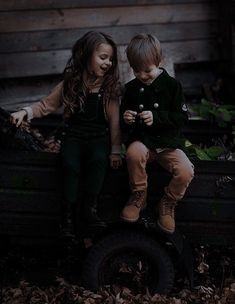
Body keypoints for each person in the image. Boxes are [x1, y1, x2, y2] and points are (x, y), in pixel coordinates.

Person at [11, 31, 122, 237]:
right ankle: (67, 215)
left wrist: (115, 150)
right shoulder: (71, 83)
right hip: (74, 136)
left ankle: (89, 208)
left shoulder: (110, 88)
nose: (108, 63)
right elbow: (46, 105)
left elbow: (115, 123)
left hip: (99, 137)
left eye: (111, 59)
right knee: (69, 163)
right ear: (86, 55)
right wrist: (24, 112)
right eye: (103, 57)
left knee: (99, 160)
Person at [120, 33, 194, 234]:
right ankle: (139, 195)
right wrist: (126, 118)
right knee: (133, 153)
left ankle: (168, 202)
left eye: (148, 71)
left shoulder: (172, 86)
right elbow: (124, 124)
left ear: (159, 62)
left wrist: (157, 117)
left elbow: (182, 118)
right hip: (143, 142)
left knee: (186, 170)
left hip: (168, 143)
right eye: (136, 71)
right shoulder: (131, 89)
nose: (142, 76)